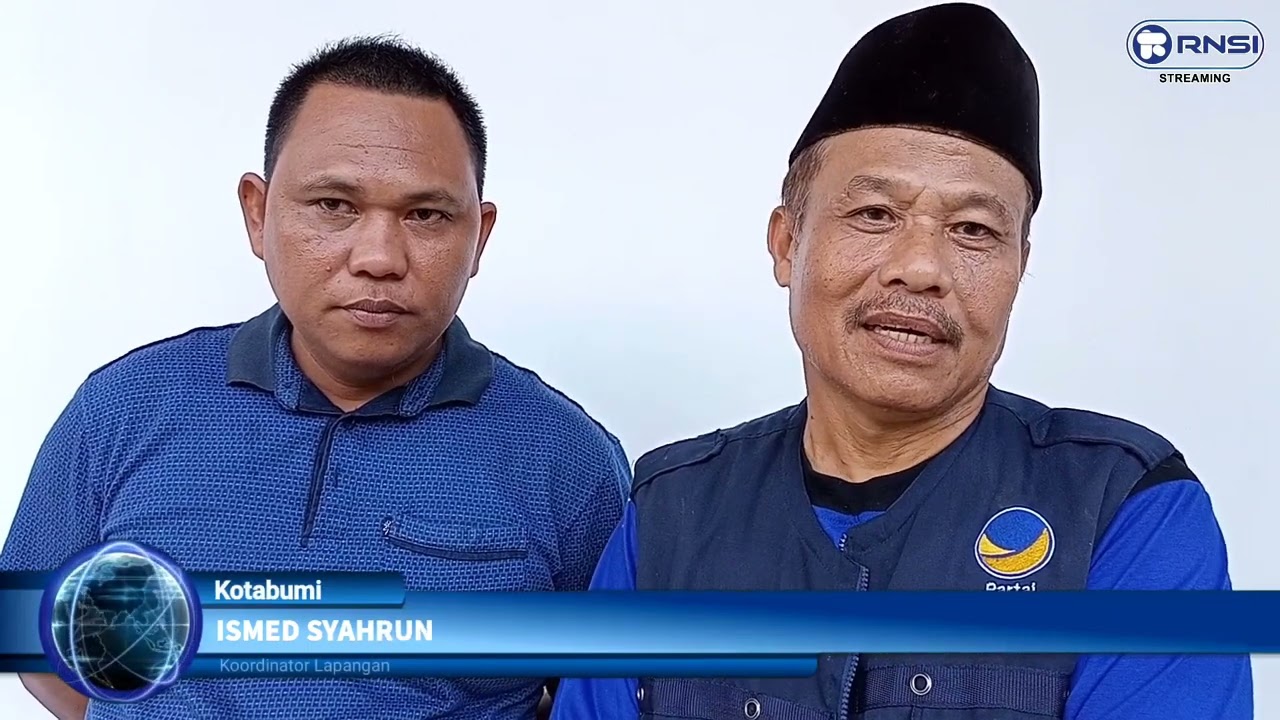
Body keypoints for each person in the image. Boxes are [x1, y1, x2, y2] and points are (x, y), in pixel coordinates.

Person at [551, 4, 1252, 719]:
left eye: (972, 229)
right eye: (875, 215)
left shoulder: (1125, 507)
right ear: (787, 244)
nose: (920, 268)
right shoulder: (669, 514)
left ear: (1019, 266)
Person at [0, 36, 629, 720]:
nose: (379, 257)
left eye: (425, 215)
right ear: (258, 213)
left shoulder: (566, 458)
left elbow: (602, 696)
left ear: (478, 236)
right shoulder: (124, 407)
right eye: (334, 205)